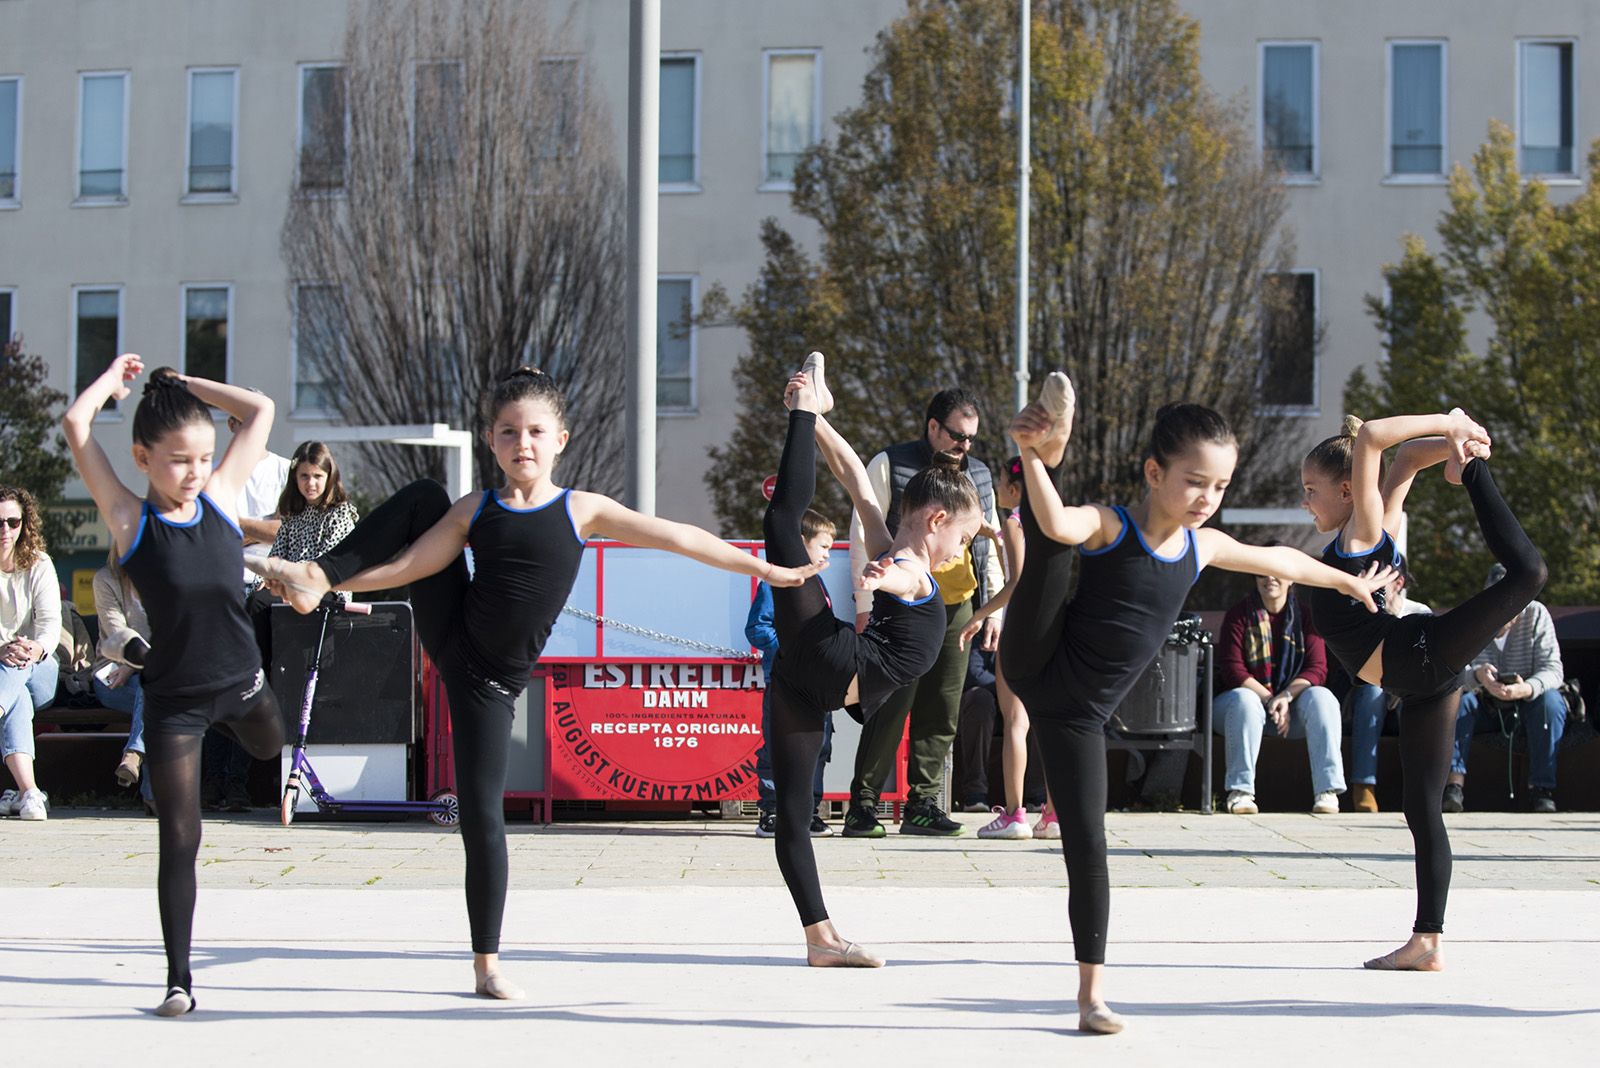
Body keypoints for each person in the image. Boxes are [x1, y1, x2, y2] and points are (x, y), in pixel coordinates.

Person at [250, 366, 821, 997]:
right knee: (419, 496)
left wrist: (763, 571)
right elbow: (416, 565)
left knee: (483, 817)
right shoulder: (477, 507)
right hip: (454, 636)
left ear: (560, 441)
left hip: (490, 686)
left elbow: (679, 537)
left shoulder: (583, 508)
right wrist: (333, 584)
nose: (522, 442)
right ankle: (313, 575)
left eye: (535, 431)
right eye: (508, 431)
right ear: (491, 442)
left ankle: (486, 964)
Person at [1002, 373, 1391, 1034]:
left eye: (1220, 486)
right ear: (1155, 472)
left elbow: (1281, 560)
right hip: (1036, 658)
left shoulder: (1202, 546)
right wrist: (1034, 465)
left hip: (1079, 717)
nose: (1208, 498)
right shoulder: (1109, 525)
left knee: (1088, 846)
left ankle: (1090, 995)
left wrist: (1347, 582)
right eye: (1194, 481)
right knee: (1049, 546)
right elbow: (1057, 521)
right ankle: (1039, 450)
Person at [63, 354, 285, 1017]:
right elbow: (77, 422)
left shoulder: (218, 498)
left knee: (273, 750)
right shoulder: (131, 521)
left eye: (203, 457)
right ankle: (179, 979)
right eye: (178, 460)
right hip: (174, 703)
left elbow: (262, 410)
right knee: (180, 838)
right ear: (141, 456)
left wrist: (181, 384)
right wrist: (113, 382)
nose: (193, 473)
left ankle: (269, 743)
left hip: (243, 687)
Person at [1300, 410, 1545, 972]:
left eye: (1312, 491)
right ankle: (1427, 940)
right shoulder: (1376, 523)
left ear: (1345, 491)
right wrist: (1456, 447)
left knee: (1528, 574)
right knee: (1421, 809)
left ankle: (1478, 477)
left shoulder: (1359, 533)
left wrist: (1453, 425)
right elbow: (1406, 458)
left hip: (1420, 654)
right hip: (1421, 685)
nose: (1306, 503)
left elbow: (1373, 440)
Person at [759, 352, 981, 965]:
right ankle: (803, 410)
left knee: (795, 814)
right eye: (962, 538)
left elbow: (858, 479)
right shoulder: (908, 566)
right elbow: (903, 578)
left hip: (808, 684)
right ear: (937, 519)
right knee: (783, 522)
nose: (960, 550)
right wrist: (882, 581)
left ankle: (820, 940)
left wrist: (824, 424)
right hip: (831, 657)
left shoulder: (893, 544)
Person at [843, 387, 1005, 838]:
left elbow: (986, 547)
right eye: (957, 435)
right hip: (901, 599)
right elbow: (864, 532)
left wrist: (994, 611)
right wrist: (864, 601)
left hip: (958, 606)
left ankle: (924, 802)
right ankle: (864, 803)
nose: (964, 446)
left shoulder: (980, 474)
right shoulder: (891, 463)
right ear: (933, 427)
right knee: (890, 703)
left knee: (942, 708)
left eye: (972, 438)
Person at [961, 456, 1049, 840]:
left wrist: (981, 612)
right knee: (1048, 724)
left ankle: (1015, 815)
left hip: (1019, 630)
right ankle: (1053, 814)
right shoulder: (1055, 523)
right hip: (1051, 630)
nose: (996, 491)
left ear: (1014, 490)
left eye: (999, 484)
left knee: (1016, 722)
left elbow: (1017, 582)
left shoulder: (1015, 521)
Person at [1213, 567, 1346, 815]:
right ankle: (1240, 793)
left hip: (1290, 711)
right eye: (1262, 573)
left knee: (1322, 697)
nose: (1269, 579)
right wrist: (1269, 699)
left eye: (1277, 573)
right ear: (1255, 578)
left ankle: (1327, 791)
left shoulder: (1306, 617)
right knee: (1245, 700)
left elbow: (1317, 669)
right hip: (1239, 711)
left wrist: (1285, 697)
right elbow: (1233, 670)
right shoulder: (1239, 615)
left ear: (1292, 578)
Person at [1446, 565, 1566, 814]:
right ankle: (1453, 786)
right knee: (1456, 702)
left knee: (1551, 703)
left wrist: (1527, 688)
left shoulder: (1537, 615)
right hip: (1486, 704)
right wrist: (1478, 676)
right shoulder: (1474, 617)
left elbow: (1553, 670)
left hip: (1529, 702)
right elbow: (1453, 672)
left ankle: (1541, 789)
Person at [749, 508, 838, 839]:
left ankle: (809, 811)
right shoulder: (777, 582)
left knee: (819, 747)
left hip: (817, 686)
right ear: (802, 544)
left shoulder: (819, 584)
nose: (829, 553)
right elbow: (758, 628)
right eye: (824, 546)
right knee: (777, 748)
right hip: (786, 684)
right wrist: (790, 652)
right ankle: (772, 811)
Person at [247, 440, 358, 665]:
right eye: (304, 476)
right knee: (257, 601)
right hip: (289, 584)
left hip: (326, 588)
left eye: (317, 476)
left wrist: (289, 578)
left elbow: (328, 565)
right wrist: (265, 579)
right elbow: (277, 554)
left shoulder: (340, 514)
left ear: (329, 477)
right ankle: (261, 672)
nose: (311, 483)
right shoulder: (293, 513)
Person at [1348, 564, 1430, 813]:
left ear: (1398, 583)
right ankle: (1364, 786)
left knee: (1417, 699)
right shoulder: (1364, 613)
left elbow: (1426, 665)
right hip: (1372, 695)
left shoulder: (1420, 613)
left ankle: (1420, 788)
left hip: (1407, 696)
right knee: (1371, 693)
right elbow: (1357, 666)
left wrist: (1400, 687)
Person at [0, 486, 60, 823]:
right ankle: (29, 793)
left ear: (25, 524)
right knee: (16, 694)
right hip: (4, 672)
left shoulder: (39, 563)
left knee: (19, 667)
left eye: (12, 521)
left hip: (40, 668)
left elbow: (50, 626)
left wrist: (33, 648)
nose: (5, 530)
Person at [91, 551, 154, 804]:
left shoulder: (172, 580)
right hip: (113, 672)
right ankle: (156, 796)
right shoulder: (105, 579)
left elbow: (178, 631)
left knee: (156, 689)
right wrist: (133, 663)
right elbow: (117, 633)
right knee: (159, 692)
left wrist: (139, 665)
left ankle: (134, 753)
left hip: (158, 673)